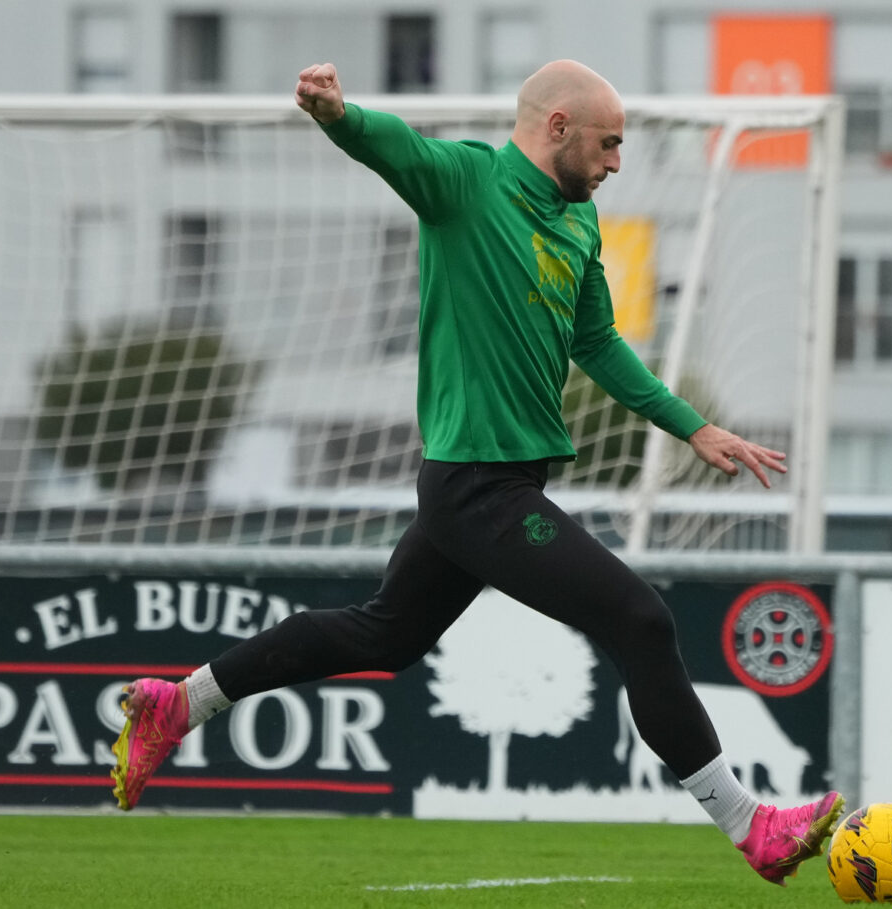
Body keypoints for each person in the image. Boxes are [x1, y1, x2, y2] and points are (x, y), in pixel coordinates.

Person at [108, 60, 843, 885]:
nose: (616, 163)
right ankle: (753, 828)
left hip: (499, 486)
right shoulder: (466, 183)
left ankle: (179, 702)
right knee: (641, 620)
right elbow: (394, 148)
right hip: (478, 489)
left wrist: (694, 426)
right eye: (608, 144)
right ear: (558, 128)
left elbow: (596, 342)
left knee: (387, 633)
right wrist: (338, 116)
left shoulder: (578, 224)